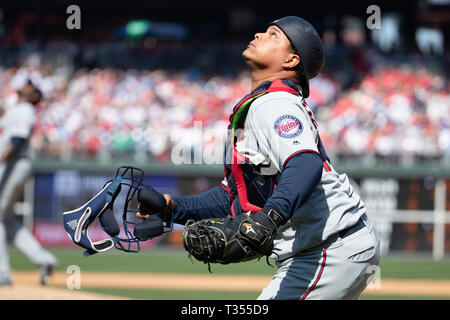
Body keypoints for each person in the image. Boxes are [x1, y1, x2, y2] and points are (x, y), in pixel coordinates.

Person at [138, 16, 380, 300]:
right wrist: (172, 208)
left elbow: (305, 163)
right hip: (331, 247)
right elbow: (230, 197)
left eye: (273, 34)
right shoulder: (263, 103)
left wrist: (268, 218)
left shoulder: (273, 103)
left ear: (291, 61)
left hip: (328, 250)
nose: (259, 34)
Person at [0, 80, 58, 286]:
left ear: (34, 96)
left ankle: (2, 273)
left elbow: (17, 140)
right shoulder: (17, 108)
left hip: (13, 164)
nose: (26, 85)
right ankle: (44, 260)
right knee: (6, 221)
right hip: (12, 165)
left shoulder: (25, 109)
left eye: (31, 87)